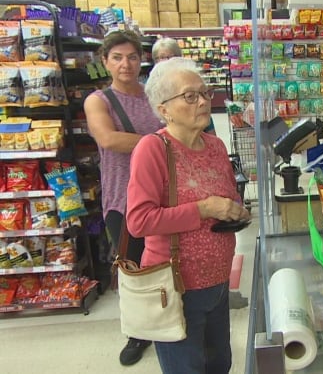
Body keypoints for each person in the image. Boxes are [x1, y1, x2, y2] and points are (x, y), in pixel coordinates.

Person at [126, 57, 250, 374]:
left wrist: (235, 209)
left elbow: (228, 195)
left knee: (219, 364)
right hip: (177, 287)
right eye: (190, 96)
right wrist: (204, 209)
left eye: (205, 93)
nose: (203, 101)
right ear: (163, 107)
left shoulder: (215, 146)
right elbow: (139, 221)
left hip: (219, 282)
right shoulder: (152, 149)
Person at [83, 30, 165, 366]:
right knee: (132, 264)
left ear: (141, 59)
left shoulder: (155, 94)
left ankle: (169, 317)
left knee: (165, 258)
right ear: (105, 62)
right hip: (123, 196)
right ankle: (138, 332)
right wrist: (161, 141)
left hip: (163, 191)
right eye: (117, 57)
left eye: (132, 56)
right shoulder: (98, 101)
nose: (125, 64)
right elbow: (108, 138)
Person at [152, 37, 217, 135]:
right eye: (162, 57)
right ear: (155, 61)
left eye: (172, 57)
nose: (167, 62)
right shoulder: (151, 90)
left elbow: (206, 119)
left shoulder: (191, 81)